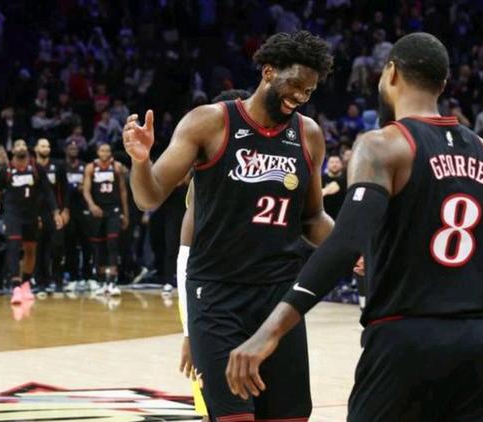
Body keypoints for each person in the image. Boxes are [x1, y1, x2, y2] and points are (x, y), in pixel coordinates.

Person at [225, 32, 483, 421]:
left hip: (403, 340)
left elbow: (344, 245)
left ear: (390, 73)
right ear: (442, 85)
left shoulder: (384, 145)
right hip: (478, 345)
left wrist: (270, 330)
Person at [123, 31, 333, 421]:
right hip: (218, 297)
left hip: (279, 298)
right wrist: (140, 161)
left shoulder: (309, 135)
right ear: (268, 72)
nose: (300, 96)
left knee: (290, 417)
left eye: (309, 91)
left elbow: (312, 218)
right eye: (295, 85)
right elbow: (148, 197)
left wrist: (354, 247)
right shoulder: (209, 122)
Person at [177, 88, 252, 422]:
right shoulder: (204, 181)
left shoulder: (268, 171)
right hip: (213, 304)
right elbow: (185, 258)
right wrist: (189, 332)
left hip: (259, 299)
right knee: (216, 410)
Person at [0, 139, 63, 304]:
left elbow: (48, 191)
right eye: (17, 145)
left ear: (27, 149)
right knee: (13, 248)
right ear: (13, 151)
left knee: (31, 250)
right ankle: (15, 286)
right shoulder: (6, 170)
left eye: (23, 145)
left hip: (32, 215)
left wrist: (55, 212)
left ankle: (25, 283)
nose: (21, 147)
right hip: (13, 215)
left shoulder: (36, 168)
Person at [82, 143, 129, 296]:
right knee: (99, 246)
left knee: (112, 243)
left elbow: (122, 190)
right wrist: (92, 206)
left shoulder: (117, 167)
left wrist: (125, 213)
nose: (105, 153)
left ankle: (112, 280)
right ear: (97, 152)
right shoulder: (91, 167)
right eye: (102, 150)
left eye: (107, 150)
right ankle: (102, 281)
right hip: (98, 210)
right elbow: (86, 190)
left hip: (113, 210)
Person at [34, 138, 69, 296]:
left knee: (57, 247)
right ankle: (40, 282)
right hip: (37, 213)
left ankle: (58, 280)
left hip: (56, 213)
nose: (46, 148)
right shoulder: (31, 166)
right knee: (39, 248)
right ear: (36, 148)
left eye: (48, 146)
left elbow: (65, 189)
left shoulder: (58, 165)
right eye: (42, 146)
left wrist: (65, 210)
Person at [63, 141, 92, 289]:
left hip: (83, 208)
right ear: (65, 150)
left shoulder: (84, 166)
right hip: (67, 208)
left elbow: (86, 186)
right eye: (71, 148)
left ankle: (87, 276)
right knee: (70, 244)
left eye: (76, 148)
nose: (74, 150)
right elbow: (63, 187)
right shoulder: (62, 166)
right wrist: (75, 187)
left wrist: (75, 187)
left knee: (87, 243)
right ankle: (72, 276)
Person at [321, 154, 347, 219]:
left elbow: (333, 187)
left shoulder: (345, 179)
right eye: (332, 162)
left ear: (342, 164)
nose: (334, 165)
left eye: (337, 162)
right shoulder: (320, 179)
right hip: (324, 217)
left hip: (341, 217)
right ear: (327, 164)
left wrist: (322, 192)